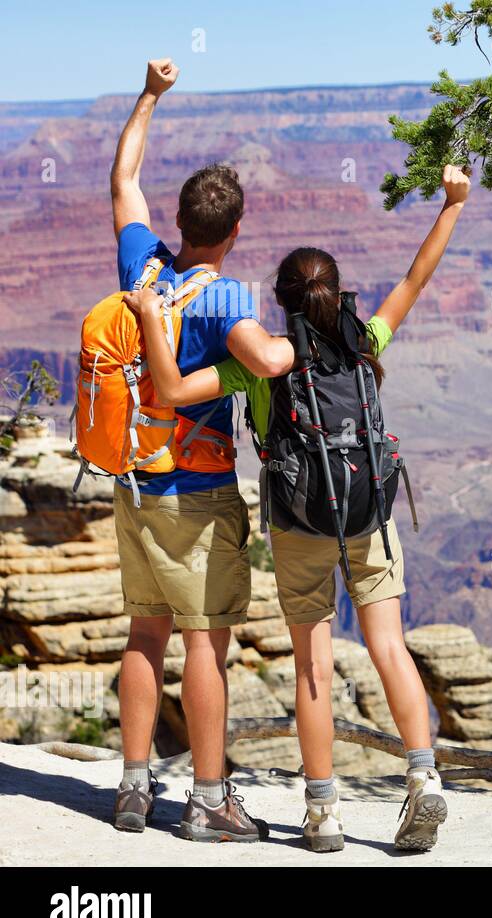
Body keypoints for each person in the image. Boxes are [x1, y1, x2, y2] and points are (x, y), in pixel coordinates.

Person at [124, 164, 472, 852]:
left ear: (281, 301)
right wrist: (452, 205)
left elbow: (167, 389)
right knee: (389, 647)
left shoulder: (264, 362)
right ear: (337, 295)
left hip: (300, 525)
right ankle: (424, 779)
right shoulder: (363, 341)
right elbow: (414, 280)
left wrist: (147, 318)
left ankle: (323, 814)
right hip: (369, 516)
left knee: (313, 666)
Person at [109, 59, 297, 842]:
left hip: (133, 484)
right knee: (205, 646)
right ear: (235, 232)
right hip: (197, 495)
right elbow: (266, 362)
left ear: (180, 223)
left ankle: (130, 788)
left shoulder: (143, 265)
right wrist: (304, 342)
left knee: (143, 635)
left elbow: (124, 177)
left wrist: (150, 93)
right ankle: (209, 801)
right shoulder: (226, 299)